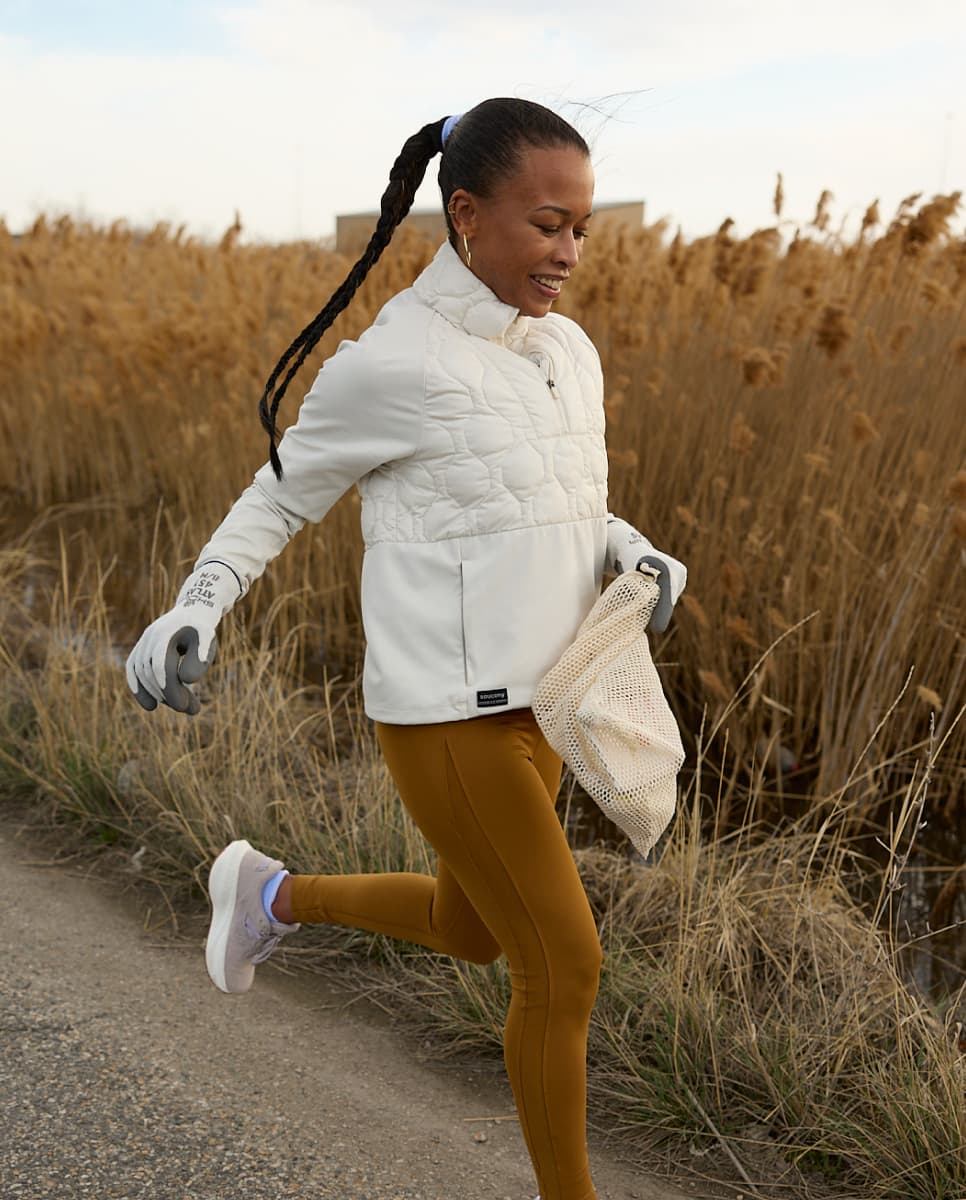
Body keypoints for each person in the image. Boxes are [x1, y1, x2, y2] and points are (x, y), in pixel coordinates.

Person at [126, 97, 686, 1200]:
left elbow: (558, 502)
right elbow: (277, 498)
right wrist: (195, 603)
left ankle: (270, 899)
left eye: (580, 229)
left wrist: (635, 551)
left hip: (548, 707)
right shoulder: (393, 363)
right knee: (562, 965)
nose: (569, 253)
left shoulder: (567, 352)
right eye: (546, 225)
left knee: (470, 927)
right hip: (448, 715)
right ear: (468, 216)